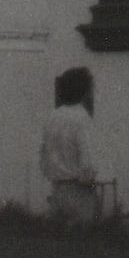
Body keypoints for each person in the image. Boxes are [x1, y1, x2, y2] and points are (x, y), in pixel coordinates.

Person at [40, 66, 100, 223]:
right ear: (85, 92)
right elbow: (88, 160)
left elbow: (43, 155)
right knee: (81, 242)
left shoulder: (53, 116)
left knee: (60, 242)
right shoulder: (82, 118)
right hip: (79, 191)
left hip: (56, 189)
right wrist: (89, 183)